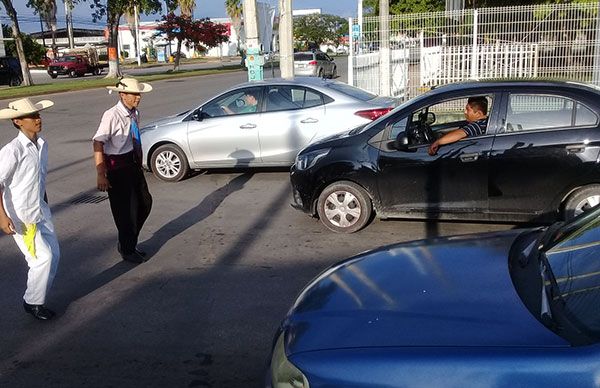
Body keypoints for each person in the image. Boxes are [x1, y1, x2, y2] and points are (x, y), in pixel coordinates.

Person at [0, 98, 60, 321]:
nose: (38, 119)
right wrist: (2, 216)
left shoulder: (41, 144)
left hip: (40, 209)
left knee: (54, 255)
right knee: (41, 258)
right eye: (32, 116)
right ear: (17, 121)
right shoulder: (12, 150)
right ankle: (33, 302)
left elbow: (38, 180)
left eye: (38, 114)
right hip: (21, 215)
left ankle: (37, 295)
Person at [93, 77, 153, 264]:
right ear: (122, 95)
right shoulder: (111, 115)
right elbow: (98, 142)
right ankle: (127, 248)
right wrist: (101, 173)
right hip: (116, 167)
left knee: (145, 203)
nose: (138, 98)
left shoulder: (134, 113)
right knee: (125, 212)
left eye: (139, 94)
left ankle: (128, 241)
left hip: (132, 162)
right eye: (134, 94)